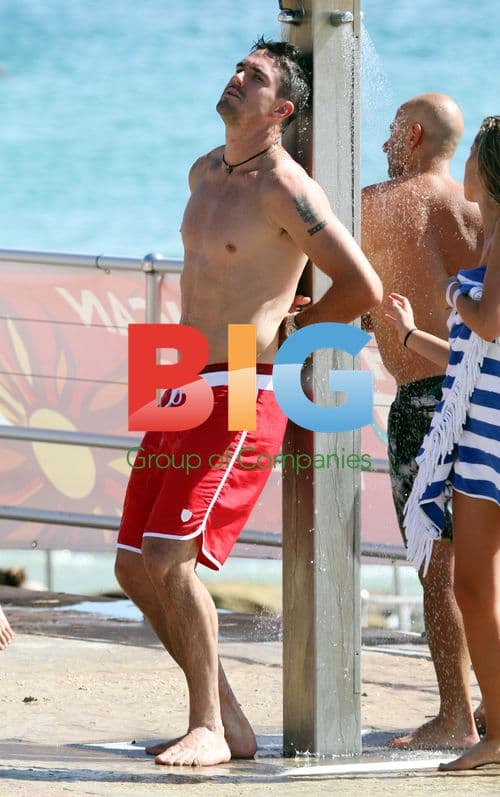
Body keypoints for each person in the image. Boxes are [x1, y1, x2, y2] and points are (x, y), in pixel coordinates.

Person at [115, 37, 382, 767]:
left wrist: (292, 328)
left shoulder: (287, 188)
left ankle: (205, 723)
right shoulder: (203, 169)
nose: (236, 80)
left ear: (281, 109)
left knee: (172, 558)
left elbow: (364, 288)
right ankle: (226, 718)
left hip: (241, 378)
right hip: (176, 371)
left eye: (254, 78)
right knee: (133, 565)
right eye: (238, 70)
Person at [362, 94, 484, 750]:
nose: (384, 142)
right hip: (480, 393)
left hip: (425, 397)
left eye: (389, 131)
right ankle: (489, 704)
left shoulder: (383, 200)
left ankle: (452, 712)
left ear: (411, 134)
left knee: (436, 565)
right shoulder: (471, 210)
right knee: (479, 561)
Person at [384, 115, 500, 770]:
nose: (469, 168)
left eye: (478, 158)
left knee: (468, 585)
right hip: (480, 421)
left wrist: (457, 291)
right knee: (474, 587)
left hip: (490, 431)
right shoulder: (490, 232)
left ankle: (482, 726)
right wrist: (408, 334)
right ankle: (492, 727)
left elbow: (488, 319)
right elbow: (472, 352)